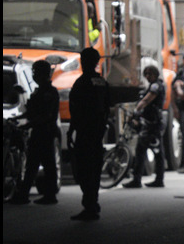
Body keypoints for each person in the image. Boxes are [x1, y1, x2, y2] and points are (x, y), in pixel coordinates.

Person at [68, 48, 111, 221]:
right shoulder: (101, 82)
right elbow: (107, 106)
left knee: (85, 170)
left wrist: (72, 129)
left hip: (85, 131)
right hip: (97, 131)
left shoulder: (82, 82)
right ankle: (93, 203)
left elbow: (76, 108)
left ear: (84, 61)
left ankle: (90, 206)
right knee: (94, 169)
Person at [9, 60, 60, 205]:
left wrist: (28, 125)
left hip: (44, 133)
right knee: (34, 165)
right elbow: (32, 112)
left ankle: (46, 195)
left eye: (36, 72)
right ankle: (26, 194)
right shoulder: (39, 91)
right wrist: (18, 118)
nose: (34, 75)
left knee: (42, 165)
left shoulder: (49, 93)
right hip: (39, 132)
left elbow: (45, 116)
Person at [123, 64, 166, 188]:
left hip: (153, 124)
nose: (147, 76)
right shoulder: (153, 85)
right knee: (145, 151)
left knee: (153, 152)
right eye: (146, 74)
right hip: (150, 123)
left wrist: (136, 110)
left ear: (155, 74)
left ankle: (141, 180)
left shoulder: (156, 86)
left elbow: (146, 100)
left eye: (150, 74)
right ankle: (153, 179)